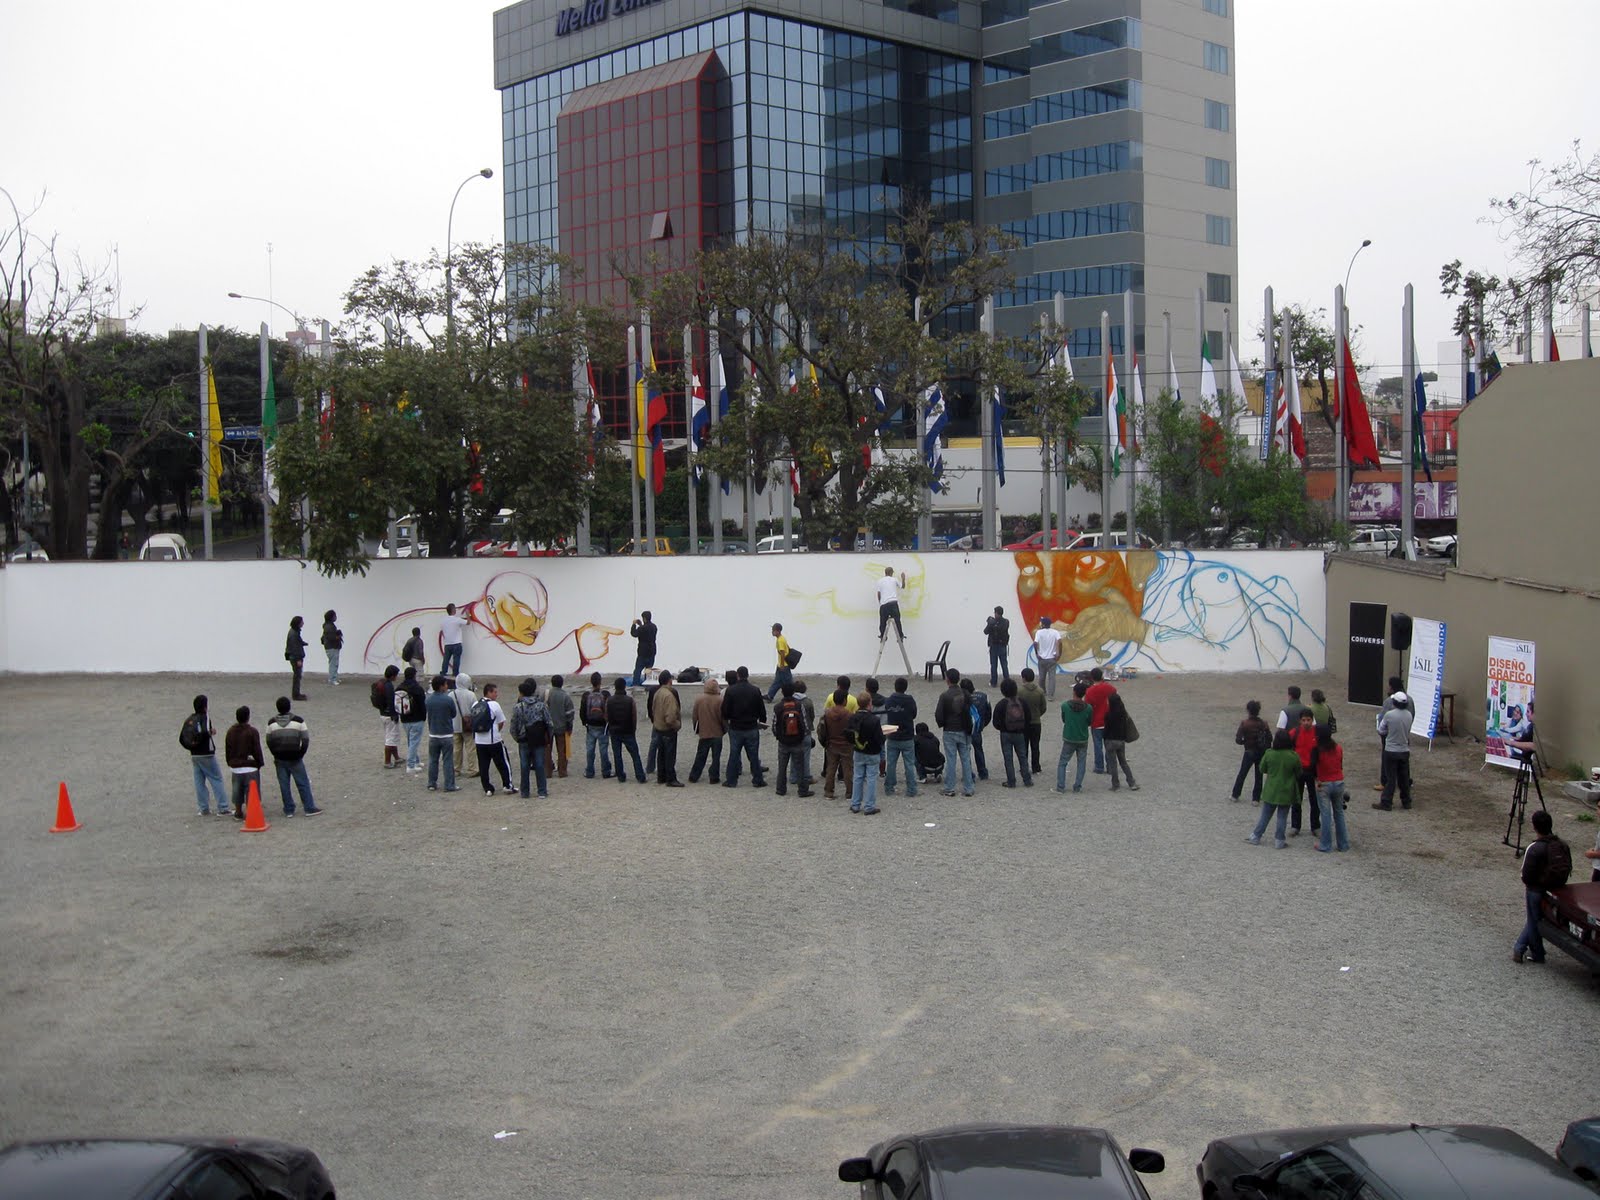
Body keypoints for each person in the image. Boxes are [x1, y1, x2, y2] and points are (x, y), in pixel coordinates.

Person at [1513, 809, 1571, 963]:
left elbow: (1526, 875)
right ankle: (1523, 948)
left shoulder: (1534, 848)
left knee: (1533, 921)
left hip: (1535, 890)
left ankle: (1530, 952)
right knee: (1537, 920)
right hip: (1556, 889)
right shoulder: (1562, 845)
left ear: (1534, 827)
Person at [265, 696, 321, 816]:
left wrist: (275, 753)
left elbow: (269, 741)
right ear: (289, 707)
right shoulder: (298, 721)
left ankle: (289, 809)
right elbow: (305, 739)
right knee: (302, 782)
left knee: (284, 785)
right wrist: (301, 753)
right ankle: (309, 807)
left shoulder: (271, 723)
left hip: (280, 758)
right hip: (295, 757)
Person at [1248, 730, 1300, 848]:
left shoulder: (1269, 754)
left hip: (1271, 789)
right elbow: (1298, 772)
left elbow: (1262, 768)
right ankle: (1279, 840)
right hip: (1286, 790)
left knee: (1265, 815)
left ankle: (1256, 836)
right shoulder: (1293, 756)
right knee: (1282, 816)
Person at [719, 666, 767, 788]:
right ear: (747, 675)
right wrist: (762, 721)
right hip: (751, 726)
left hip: (736, 727)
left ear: (738, 676)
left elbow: (725, 710)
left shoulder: (731, 691)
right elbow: (761, 709)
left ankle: (731, 780)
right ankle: (757, 779)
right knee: (754, 755)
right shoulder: (755, 690)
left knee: (734, 754)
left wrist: (728, 719)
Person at [182, 694, 229, 816]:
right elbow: (204, 731)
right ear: (205, 706)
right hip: (206, 753)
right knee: (216, 778)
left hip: (194, 754)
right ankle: (223, 807)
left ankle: (203, 808)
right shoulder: (205, 717)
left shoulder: (190, 719)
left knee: (199, 781)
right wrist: (210, 732)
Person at [933, 667, 976, 797]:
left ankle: (949, 787)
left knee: (951, 759)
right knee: (965, 759)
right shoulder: (966, 694)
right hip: (964, 729)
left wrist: (943, 723)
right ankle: (969, 787)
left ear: (947, 680)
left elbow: (939, 715)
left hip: (950, 730)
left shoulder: (944, 696)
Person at [510, 678, 552, 799]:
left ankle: (525, 792)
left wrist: (517, 738)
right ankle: (542, 791)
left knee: (524, 766)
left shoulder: (518, 707)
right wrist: (548, 737)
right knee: (539, 765)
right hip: (538, 739)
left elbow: (513, 727)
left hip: (524, 739)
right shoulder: (541, 706)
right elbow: (549, 723)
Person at [772, 683, 814, 798]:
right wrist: (802, 736)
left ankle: (781, 789)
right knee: (800, 766)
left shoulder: (778, 707)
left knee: (782, 767)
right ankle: (802, 790)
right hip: (797, 740)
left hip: (783, 741)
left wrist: (779, 736)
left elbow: (774, 725)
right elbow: (804, 723)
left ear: (782, 692)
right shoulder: (799, 705)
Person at [224, 704, 266, 819]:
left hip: (236, 766)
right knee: (251, 792)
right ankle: (251, 812)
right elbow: (257, 749)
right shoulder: (252, 731)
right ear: (248, 717)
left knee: (237, 791)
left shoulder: (230, 732)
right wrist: (259, 762)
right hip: (250, 766)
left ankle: (238, 811)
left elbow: (228, 749)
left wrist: (230, 762)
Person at [847, 690, 885, 814]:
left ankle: (855, 804)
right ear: (870, 703)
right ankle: (869, 806)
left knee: (858, 777)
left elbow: (849, 734)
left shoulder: (853, 718)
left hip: (858, 751)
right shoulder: (874, 720)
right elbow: (879, 738)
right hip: (872, 752)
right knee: (871, 778)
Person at [1374, 695, 1415, 811]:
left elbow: (1381, 729)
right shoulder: (1409, 715)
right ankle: (1406, 801)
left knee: (1391, 778)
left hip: (1391, 750)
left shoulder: (1389, 715)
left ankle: (1386, 802)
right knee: (1404, 777)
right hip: (1404, 750)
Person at [473, 681, 513, 795]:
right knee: (503, 763)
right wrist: (496, 731)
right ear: (489, 692)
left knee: (483, 766)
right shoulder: (495, 705)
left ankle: (488, 788)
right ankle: (507, 785)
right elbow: (501, 721)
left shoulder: (475, 704)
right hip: (493, 739)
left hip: (479, 741)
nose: (496, 694)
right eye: (495, 692)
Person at [1312, 723, 1348, 852]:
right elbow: (1340, 765)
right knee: (1339, 814)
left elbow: (1313, 768)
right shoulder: (1338, 748)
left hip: (1324, 783)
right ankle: (1343, 844)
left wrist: (1317, 780)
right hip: (1338, 782)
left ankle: (1325, 844)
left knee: (1326, 815)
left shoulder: (1317, 749)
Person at [993, 678, 1033, 788]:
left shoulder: (1001, 704)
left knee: (1008, 758)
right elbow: (1028, 718)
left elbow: (995, 722)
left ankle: (1011, 781)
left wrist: (1003, 728)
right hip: (1020, 733)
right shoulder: (1022, 702)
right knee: (1022, 756)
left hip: (1005, 733)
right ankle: (1027, 780)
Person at [606, 677, 647, 783]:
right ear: (624, 687)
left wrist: (611, 726)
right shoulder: (629, 700)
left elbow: (607, 716)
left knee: (617, 755)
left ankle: (620, 775)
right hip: (628, 730)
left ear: (615, 687)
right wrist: (633, 729)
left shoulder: (609, 700)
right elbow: (634, 716)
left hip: (614, 730)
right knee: (635, 754)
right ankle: (640, 775)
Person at [1231, 699, 1271, 804]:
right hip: (1261, 751)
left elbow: (1238, 740)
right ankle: (1256, 798)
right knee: (1259, 776)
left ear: (1248, 710)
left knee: (1242, 773)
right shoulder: (1263, 724)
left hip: (1249, 751)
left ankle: (1235, 794)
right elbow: (1269, 738)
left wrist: (1245, 742)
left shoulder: (1245, 724)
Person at [424, 675, 460, 792]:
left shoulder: (429, 699)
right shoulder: (448, 700)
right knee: (448, 760)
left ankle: (432, 783)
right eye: (445, 684)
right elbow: (453, 714)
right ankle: (449, 784)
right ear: (441, 686)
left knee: (433, 760)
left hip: (433, 733)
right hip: (446, 734)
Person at [883, 677, 918, 797]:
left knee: (891, 763)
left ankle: (889, 788)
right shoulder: (910, 700)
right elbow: (914, 714)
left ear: (895, 686)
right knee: (909, 764)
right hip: (907, 735)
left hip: (893, 735)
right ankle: (911, 789)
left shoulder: (889, 700)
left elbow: (887, 711)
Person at [648, 670, 684, 787]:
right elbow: (670, 716)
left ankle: (661, 776)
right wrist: (677, 724)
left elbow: (653, 709)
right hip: (668, 729)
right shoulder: (669, 695)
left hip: (658, 727)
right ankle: (671, 779)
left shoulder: (657, 693)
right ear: (669, 680)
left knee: (661, 754)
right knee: (670, 755)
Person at [819, 688, 855, 802]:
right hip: (846, 745)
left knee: (831, 768)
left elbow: (822, 729)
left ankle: (828, 792)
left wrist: (825, 742)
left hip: (832, 744)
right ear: (844, 700)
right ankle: (850, 793)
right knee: (848, 769)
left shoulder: (827, 714)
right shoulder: (849, 715)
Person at [1289, 708, 1320, 836]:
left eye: (1308, 720)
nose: (1306, 722)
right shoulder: (1294, 733)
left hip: (1313, 771)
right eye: (1304, 720)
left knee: (1315, 800)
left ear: (1312, 720)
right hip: (1298, 770)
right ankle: (1295, 826)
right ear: (1300, 721)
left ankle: (1315, 826)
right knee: (1297, 799)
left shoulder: (1317, 733)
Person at [1056, 681, 1092, 793]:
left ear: (1074, 692)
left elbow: (1064, 719)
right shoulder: (1088, 708)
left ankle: (1060, 786)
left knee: (1063, 762)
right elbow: (1089, 722)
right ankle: (1077, 786)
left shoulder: (1065, 706)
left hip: (1069, 737)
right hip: (1082, 738)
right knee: (1081, 763)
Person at [689, 677, 725, 784]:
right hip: (717, 733)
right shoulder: (720, 700)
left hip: (704, 732)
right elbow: (723, 718)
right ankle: (714, 777)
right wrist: (724, 729)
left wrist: (696, 728)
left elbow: (695, 716)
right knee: (716, 757)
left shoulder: (699, 699)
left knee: (701, 756)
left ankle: (694, 776)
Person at [1102, 693, 1139, 791]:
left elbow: (1106, 730)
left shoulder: (1108, 715)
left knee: (1113, 764)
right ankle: (1131, 782)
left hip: (1110, 740)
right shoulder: (1123, 714)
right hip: (1120, 741)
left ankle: (1116, 785)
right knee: (1123, 762)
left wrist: (1104, 738)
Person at [1084, 667, 1117, 774]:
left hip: (1096, 721)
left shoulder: (1089, 691)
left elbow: (1087, 707)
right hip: (1109, 720)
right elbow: (1114, 694)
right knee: (1109, 745)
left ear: (1092, 678)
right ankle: (1110, 767)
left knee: (1097, 745)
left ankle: (1099, 767)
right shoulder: (1109, 688)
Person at [580, 671, 612, 779]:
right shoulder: (606, 695)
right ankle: (606, 771)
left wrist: (585, 723)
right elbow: (609, 710)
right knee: (603, 749)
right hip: (603, 726)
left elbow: (582, 711)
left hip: (590, 726)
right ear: (600, 682)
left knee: (590, 750)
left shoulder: (586, 695)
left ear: (591, 682)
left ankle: (590, 771)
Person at [1018, 667, 1047, 775]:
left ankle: (1024, 767)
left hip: (1023, 722)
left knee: (1023, 746)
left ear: (1024, 678)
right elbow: (1043, 707)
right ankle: (1036, 767)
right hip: (1036, 722)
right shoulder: (1039, 691)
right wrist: (1038, 714)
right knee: (1035, 746)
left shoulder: (1019, 691)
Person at [961, 677, 991, 782]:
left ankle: (969, 773)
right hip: (977, 728)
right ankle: (983, 772)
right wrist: (982, 725)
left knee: (965, 752)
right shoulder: (984, 696)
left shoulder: (961, 698)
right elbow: (988, 713)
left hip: (965, 728)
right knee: (979, 750)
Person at [398, 666, 427, 774]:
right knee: (414, 742)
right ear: (414, 675)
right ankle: (410, 765)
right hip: (417, 718)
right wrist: (424, 716)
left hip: (405, 717)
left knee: (411, 741)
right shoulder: (417, 688)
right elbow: (422, 704)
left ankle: (416, 761)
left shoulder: (399, 688)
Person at [546, 674, 574, 779]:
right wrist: (569, 726)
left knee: (547, 750)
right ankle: (562, 771)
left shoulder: (546, 695)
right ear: (562, 684)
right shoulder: (565, 696)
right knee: (562, 750)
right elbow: (570, 713)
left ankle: (547, 771)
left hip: (548, 727)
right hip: (562, 727)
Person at [790, 680, 817, 791]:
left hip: (793, 732)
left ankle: (793, 776)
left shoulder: (791, 701)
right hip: (805, 732)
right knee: (806, 755)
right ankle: (806, 776)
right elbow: (812, 716)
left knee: (793, 755)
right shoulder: (808, 702)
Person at [451, 672, 479, 780]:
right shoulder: (471, 695)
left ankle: (456, 769)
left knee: (456, 748)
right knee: (471, 748)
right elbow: (476, 709)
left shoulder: (451, 694)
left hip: (455, 724)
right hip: (468, 725)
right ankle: (472, 769)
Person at [1033, 616, 1063, 698]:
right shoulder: (1055, 632)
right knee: (1052, 678)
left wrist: (1037, 653)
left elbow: (1035, 643)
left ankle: (1043, 692)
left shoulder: (1039, 632)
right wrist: (1059, 654)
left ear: (1043, 624)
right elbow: (1060, 642)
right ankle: (1051, 695)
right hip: (1052, 658)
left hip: (1042, 658)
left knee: (1042, 677)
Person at [378, 664, 402, 769]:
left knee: (392, 736)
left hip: (383, 713)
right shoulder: (389, 686)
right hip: (390, 715)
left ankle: (396, 757)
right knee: (391, 738)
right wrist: (394, 714)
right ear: (393, 675)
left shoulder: (381, 683)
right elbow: (391, 701)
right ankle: (387, 761)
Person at [876, 567, 906, 641]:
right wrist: (903, 578)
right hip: (893, 604)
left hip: (884, 604)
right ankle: (900, 636)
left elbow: (878, 594)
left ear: (885, 573)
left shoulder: (880, 581)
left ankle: (882, 636)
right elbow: (902, 587)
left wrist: (881, 603)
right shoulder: (894, 579)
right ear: (891, 572)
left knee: (882, 622)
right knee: (897, 621)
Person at [984, 606, 1011, 687]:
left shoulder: (993, 623)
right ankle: (1007, 681)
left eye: (995, 612)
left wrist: (990, 623)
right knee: (1004, 665)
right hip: (1003, 646)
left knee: (994, 665)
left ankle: (994, 682)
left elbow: (985, 631)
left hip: (994, 646)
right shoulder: (1006, 621)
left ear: (997, 613)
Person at [767, 622, 794, 702]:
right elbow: (787, 648)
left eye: (773, 630)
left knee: (788, 683)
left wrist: (782, 665)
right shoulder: (782, 638)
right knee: (777, 682)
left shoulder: (780, 640)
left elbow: (782, 653)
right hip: (781, 665)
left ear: (777, 631)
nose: (772, 632)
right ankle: (770, 695)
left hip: (783, 666)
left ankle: (793, 696)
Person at [629, 611, 658, 687]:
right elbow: (646, 631)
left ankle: (636, 685)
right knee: (648, 670)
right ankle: (647, 684)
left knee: (638, 670)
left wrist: (634, 624)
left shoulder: (641, 628)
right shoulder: (654, 627)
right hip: (652, 652)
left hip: (642, 653)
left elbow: (634, 633)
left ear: (644, 618)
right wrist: (641, 625)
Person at [439, 602, 467, 679]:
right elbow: (468, 622)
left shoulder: (443, 621)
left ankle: (443, 672)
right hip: (456, 643)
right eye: (455, 608)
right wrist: (468, 614)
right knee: (456, 659)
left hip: (447, 644)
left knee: (446, 659)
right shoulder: (457, 620)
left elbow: (443, 631)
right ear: (453, 610)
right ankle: (455, 674)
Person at [285, 615, 308, 701]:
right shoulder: (294, 634)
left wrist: (303, 643)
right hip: (295, 657)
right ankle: (296, 695)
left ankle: (297, 693)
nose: (303, 623)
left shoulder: (294, 632)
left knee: (297, 676)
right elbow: (295, 647)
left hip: (294, 656)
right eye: (302, 622)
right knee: (297, 676)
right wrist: (298, 659)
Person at [320, 610, 343, 686]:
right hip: (332, 647)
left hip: (331, 647)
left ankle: (334, 677)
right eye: (334, 616)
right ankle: (332, 679)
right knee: (333, 664)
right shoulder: (329, 627)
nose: (336, 617)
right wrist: (338, 636)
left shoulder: (328, 626)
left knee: (334, 663)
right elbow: (331, 637)